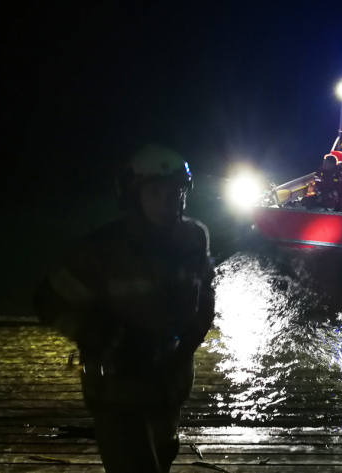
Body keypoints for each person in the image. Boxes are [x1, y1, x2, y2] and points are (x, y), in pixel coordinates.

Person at [35, 144, 215, 473]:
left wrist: (187, 343)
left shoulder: (194, 238)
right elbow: (49, 300)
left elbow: (205, 296)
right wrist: (100, 336)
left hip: (171, 386)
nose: (167, 201)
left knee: (163, 456)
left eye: (175, 191)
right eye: (156, 193)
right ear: (134, 196)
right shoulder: (102, 250)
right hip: (118, 391)